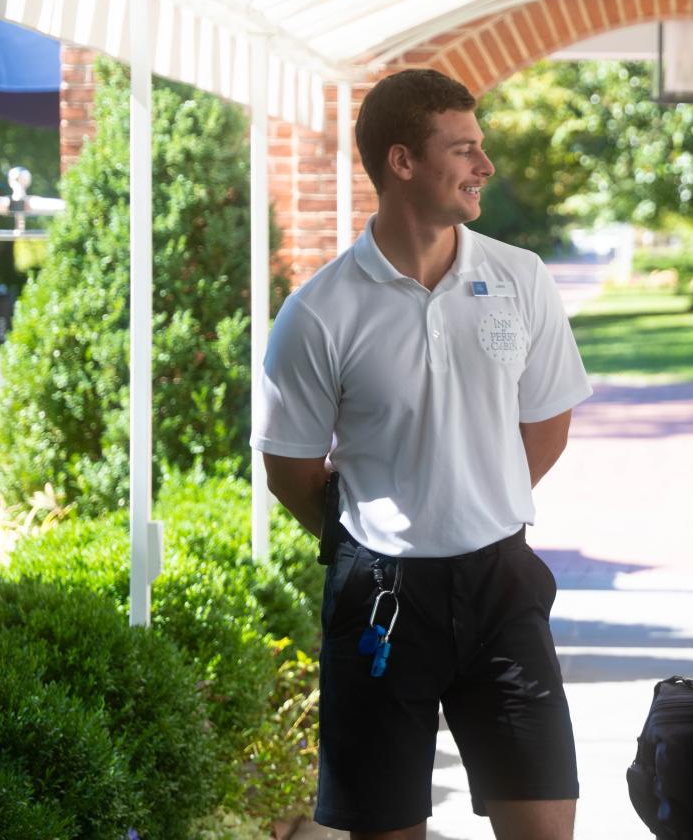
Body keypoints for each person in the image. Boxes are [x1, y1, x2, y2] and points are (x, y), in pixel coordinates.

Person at [252, 69, 591, 840]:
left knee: (545, 826)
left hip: (503, 585)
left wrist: (472, 493)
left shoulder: (520, 277)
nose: (485, 165)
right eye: (464, 149)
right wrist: (378, 538)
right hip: (380, 594)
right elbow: (292, 467)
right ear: (402, 162)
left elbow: (547, 423)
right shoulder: (319, 312)